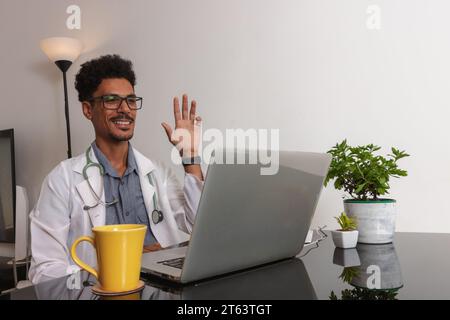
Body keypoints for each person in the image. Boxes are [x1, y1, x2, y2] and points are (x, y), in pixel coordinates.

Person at [29, 54, 204, 284]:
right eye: (112, 100)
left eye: (131, 100)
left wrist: (190, 156)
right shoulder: (62, 180)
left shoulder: (156, 173)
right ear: (88, 110)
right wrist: (118, 265)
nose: (125, 110)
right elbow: (44, 271)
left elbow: (197, 225)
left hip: (161, 290)